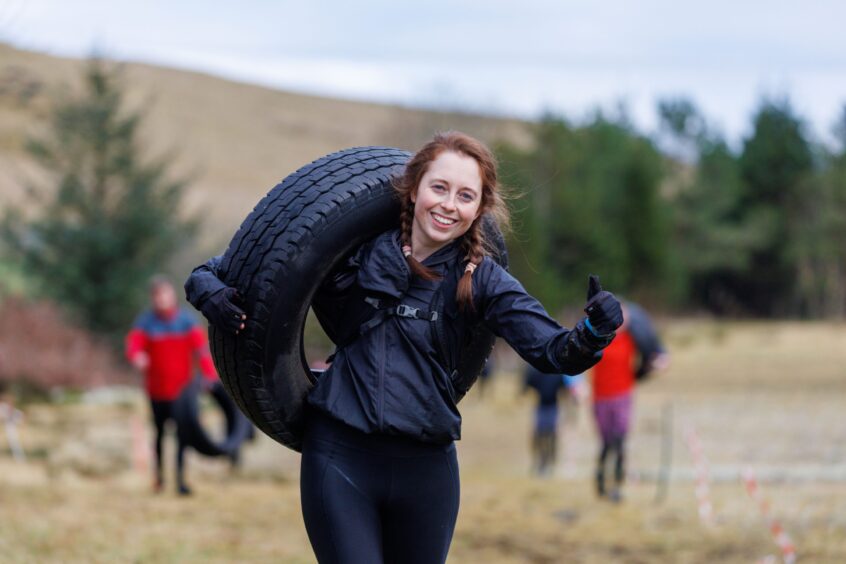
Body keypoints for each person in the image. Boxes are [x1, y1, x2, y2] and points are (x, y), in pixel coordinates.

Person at [185, 131, 623, 563]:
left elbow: (552, 351)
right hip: (340, 456)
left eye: (466, 196)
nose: (450, 205)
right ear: (413, 190)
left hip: (428, 470)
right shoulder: (348, 251)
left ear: (479, 209)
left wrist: (594, 331)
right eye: (440, 188)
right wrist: (210, 294)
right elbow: (231, 267)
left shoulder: (482, 279)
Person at [125, 276, 219, 495]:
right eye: (157, 295)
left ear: (172, 296)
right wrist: (136, 356)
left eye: (165, 294)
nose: (161, 299)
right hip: (156, 391)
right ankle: (158, 479)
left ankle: (180, 481)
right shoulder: (146, 323)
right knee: (158, 434)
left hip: (182, 392)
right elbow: (133, 344)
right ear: (152, 298)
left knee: (182, 436)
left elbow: (201, 351)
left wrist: (209, 376)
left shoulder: (186, 322)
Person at [590, 301, 669, 503]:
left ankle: (616, 484)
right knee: (606, 441)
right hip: (600, 397)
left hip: (622, 396)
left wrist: (656, 365)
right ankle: (600, 479)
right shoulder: (599, 338)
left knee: (619, 439)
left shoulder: (632, 339)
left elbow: (649, 357)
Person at [522, 366, 582, 476]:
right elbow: (529, 382)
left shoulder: (557, 371)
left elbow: (564, 388)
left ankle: (550, 459)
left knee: (551, 434)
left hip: (553, 407)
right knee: (539, 434)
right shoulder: (537, 369)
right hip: (541, 406)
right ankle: (540, 460)